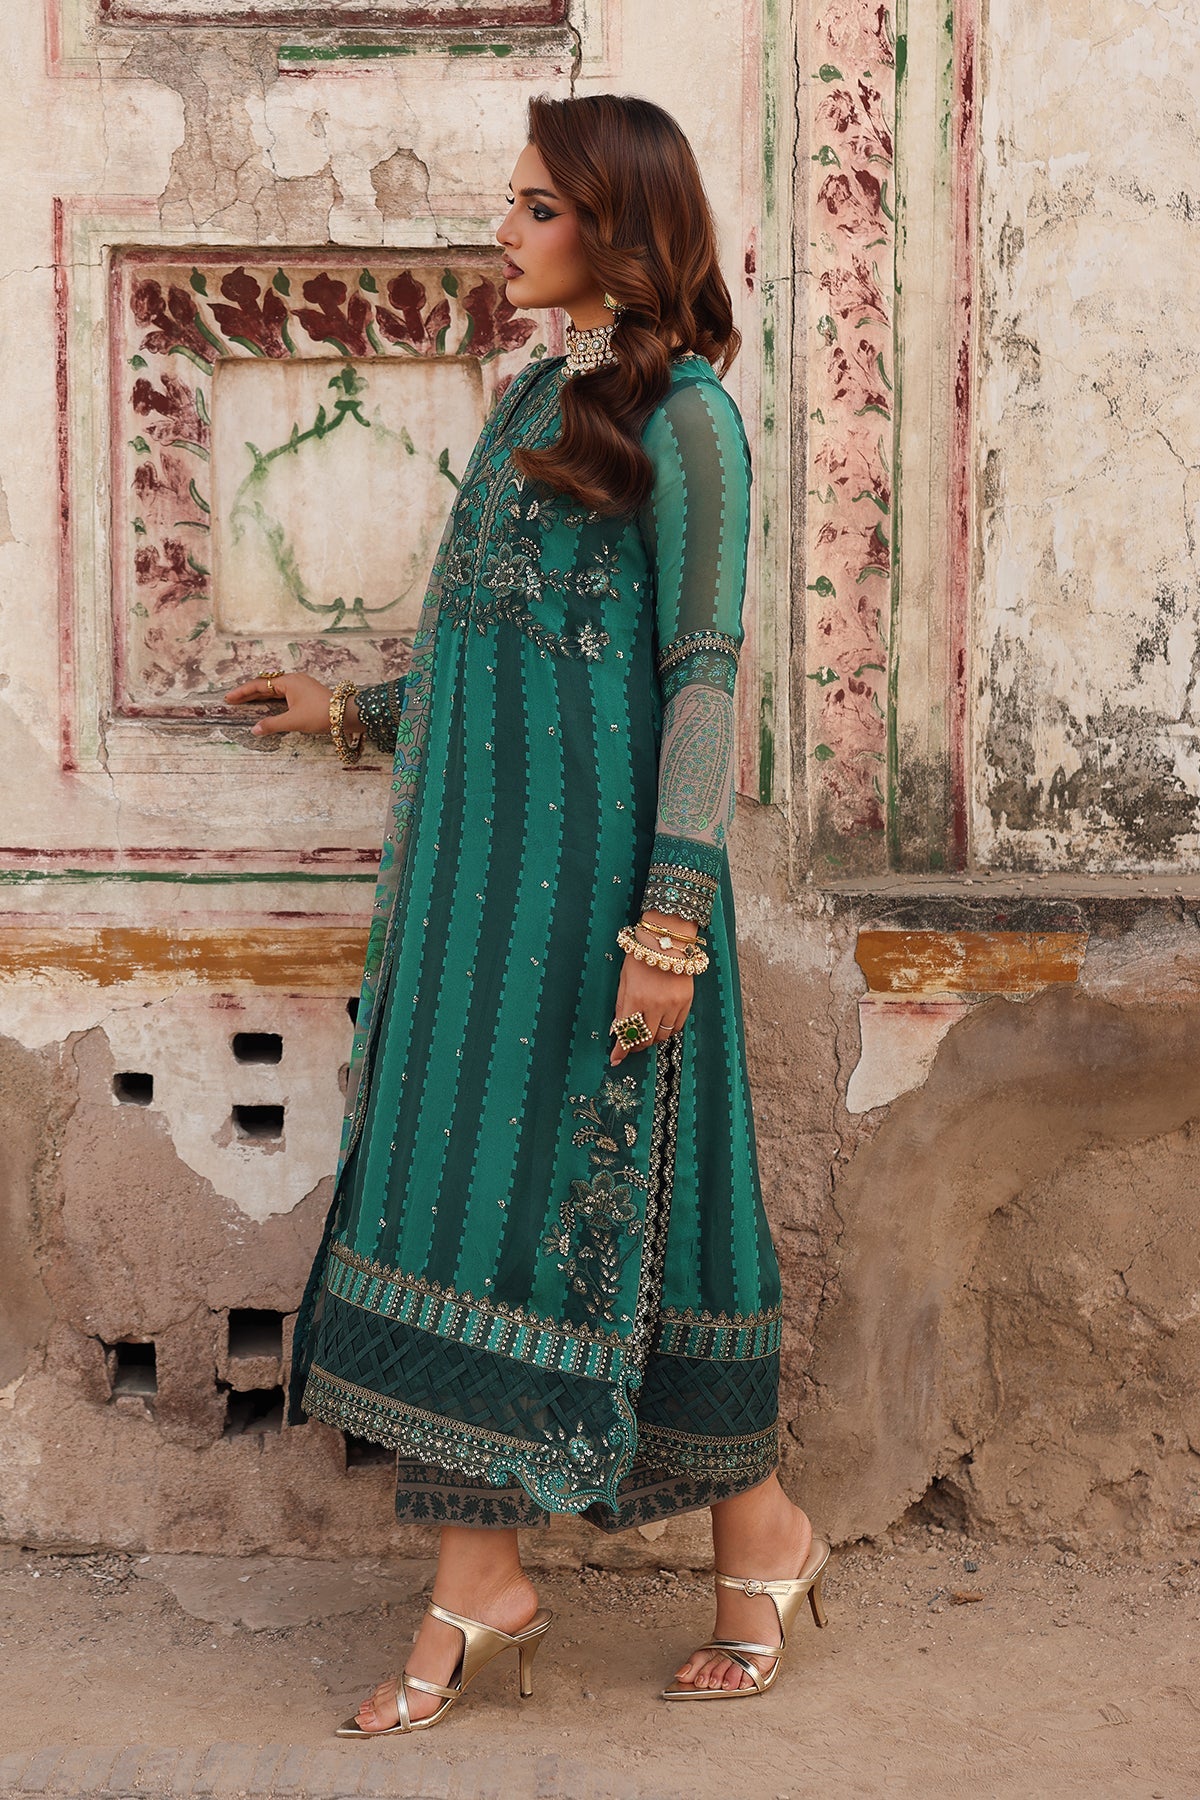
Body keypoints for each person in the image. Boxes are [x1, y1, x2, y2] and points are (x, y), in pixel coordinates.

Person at [226, 92, 829, 1734]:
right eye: (514, 202)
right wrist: (349, 714)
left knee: (660, 1207)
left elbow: (701, 682)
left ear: (622, 229)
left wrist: (671, 924)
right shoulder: (522, 409)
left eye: (538, 207)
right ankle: (489, 1576)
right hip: (471, 905)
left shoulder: (691, 423)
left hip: (610, 911)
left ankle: (756, 1537)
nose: (505, 230)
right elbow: (494, 655)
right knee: (465, 1217)